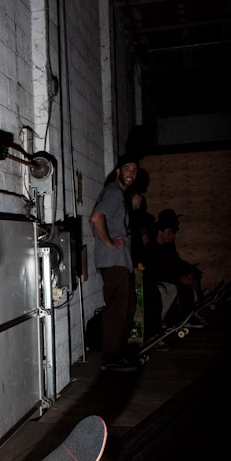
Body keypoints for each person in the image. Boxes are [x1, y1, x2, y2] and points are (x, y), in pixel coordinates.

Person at [89, 155, 139, 372]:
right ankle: (110, 358)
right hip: (114, 260)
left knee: (126, 306)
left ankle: (117, 354)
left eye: (134, 170)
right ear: (118, 171)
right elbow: (95, 218)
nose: (131, 174)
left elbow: (95, 221)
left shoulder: (117, 194)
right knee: (118, 308)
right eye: (127, 169)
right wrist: (108, 242)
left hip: (118, 260)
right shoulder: (114, 191)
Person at [146, 209, 205, 327]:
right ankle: (184, 316)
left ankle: (192, 312)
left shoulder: (168, 245)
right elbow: (157, 270)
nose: (173, 236)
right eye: (170, 232)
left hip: (166, 275)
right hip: (155, 277)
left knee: (192, 276)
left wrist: (189, 270)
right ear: (160, 231)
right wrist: (179, 277)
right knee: (180, 283)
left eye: (174, 232)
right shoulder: (150, 245)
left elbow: (175, 262)